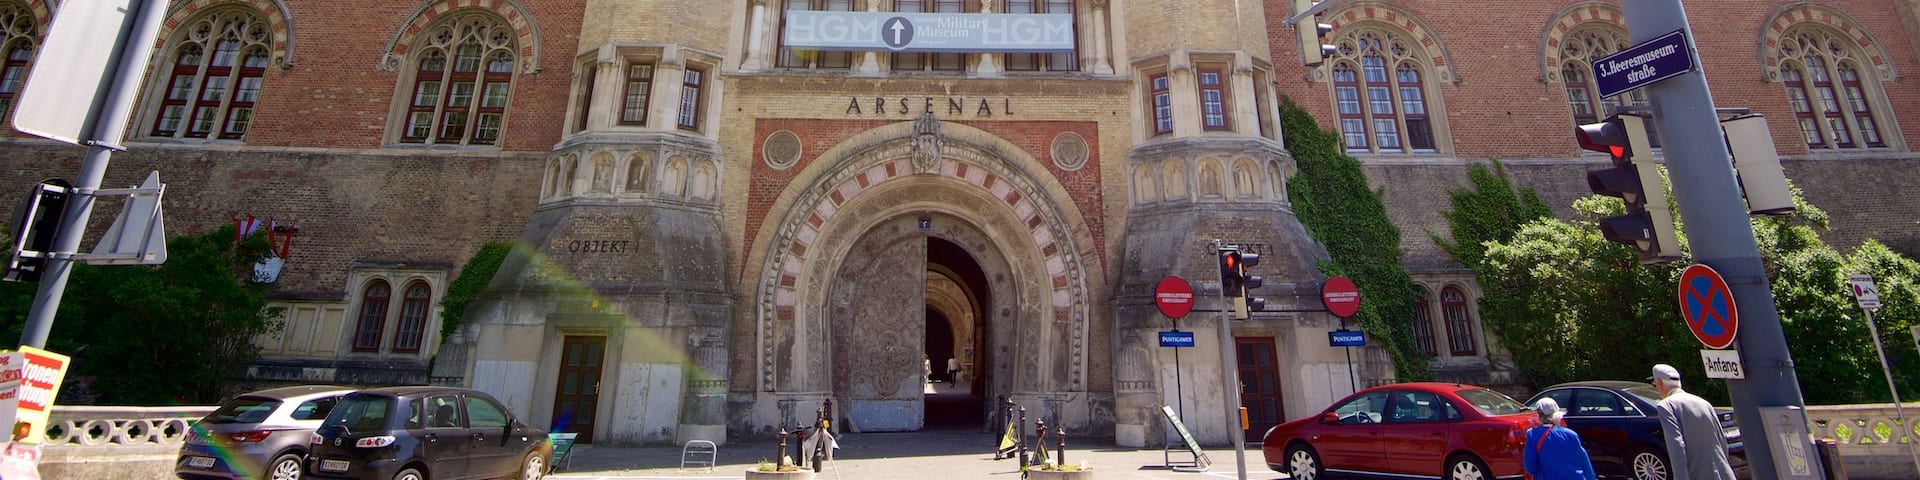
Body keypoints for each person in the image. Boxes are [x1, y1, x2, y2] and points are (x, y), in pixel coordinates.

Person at [1649, 363, 1737, 480]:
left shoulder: (1666, 406)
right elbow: (1722, 441)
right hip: (1723, 473)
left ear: (1659, 383)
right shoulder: (1703, 402)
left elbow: (1676, 446)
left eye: (1655, 385)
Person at [1523, 397, 1596, 480]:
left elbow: (1529, 465)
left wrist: (1541, 474)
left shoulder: (1532, 434)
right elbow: (1585, 462)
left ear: (1538, 415)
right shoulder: (1571, 434)